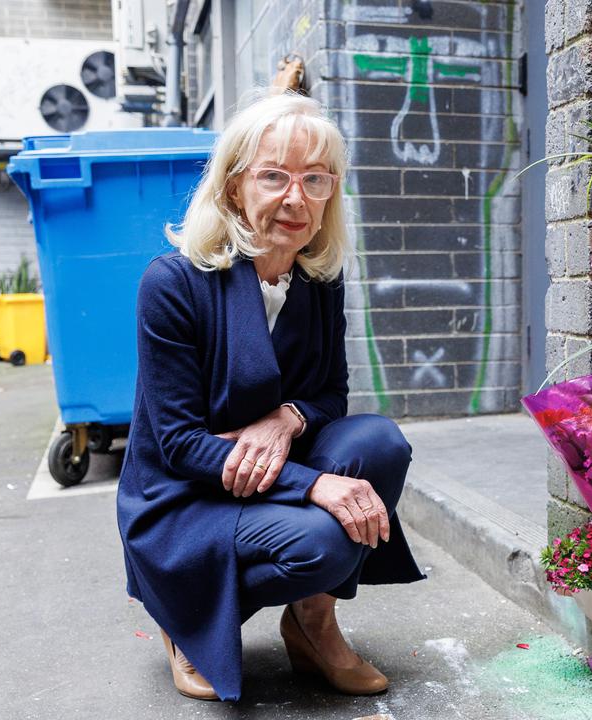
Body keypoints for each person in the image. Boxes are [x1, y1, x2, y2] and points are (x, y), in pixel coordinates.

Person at [116, 90, 427, 703]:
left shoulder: (318, 278)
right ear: (234, 187)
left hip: (264, 467)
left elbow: (329, 395)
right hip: (186, 497)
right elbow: (178, 445)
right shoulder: (173, 283)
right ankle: (188, 620)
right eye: (274, 177)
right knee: (323, 542)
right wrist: (314, 485)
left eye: (315, 179)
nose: (296, 197)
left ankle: (313, 626)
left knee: (379, 443)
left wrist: (284, 420)